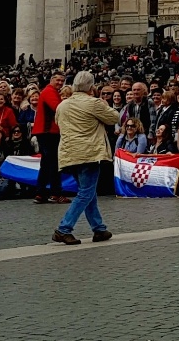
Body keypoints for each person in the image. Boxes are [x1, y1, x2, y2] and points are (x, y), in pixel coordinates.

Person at [50, 70, 120, 245]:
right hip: (89, 153)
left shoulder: (62, 105)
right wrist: (103, 106)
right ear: (91, 86)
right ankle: (64, 228)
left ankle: (99, 229)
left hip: (68, 153)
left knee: (88, 192)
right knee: (85, 193)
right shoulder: (93, 103)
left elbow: (58, 122)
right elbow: (114, 118)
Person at [32, 71, 66, 204]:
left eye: (62, 81)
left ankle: (40, 193)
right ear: (51, 79)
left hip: (45, 131)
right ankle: (55, 193)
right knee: (54, 162)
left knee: (46, 163)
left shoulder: (48, 91)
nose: (60, 83)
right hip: (49, 131)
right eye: (58, 80)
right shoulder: (49, 92)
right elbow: (58, 109)